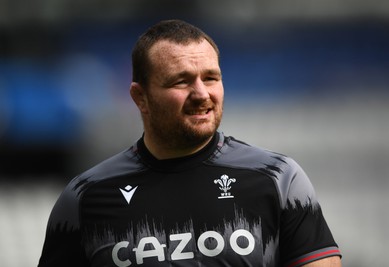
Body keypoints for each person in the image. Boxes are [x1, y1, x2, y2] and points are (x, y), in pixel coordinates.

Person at [38, 19, 342, 267]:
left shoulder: (279, 179)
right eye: (181, 81)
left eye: (210, 78)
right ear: (140, 97)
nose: (201, 94)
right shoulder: (85, 197)